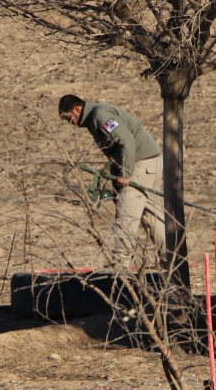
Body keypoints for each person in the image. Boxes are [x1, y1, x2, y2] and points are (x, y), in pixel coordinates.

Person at [58, 94, 166, 269]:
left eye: (68, 118)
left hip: (139, 163)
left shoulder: (100, 115)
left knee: (126, 213)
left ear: (77, 109)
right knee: (151, 214)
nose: (69, 123)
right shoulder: (95, 116)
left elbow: (126, 140)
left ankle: (121, 266)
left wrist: (126, 171)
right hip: (149, 161)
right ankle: (172, 261)